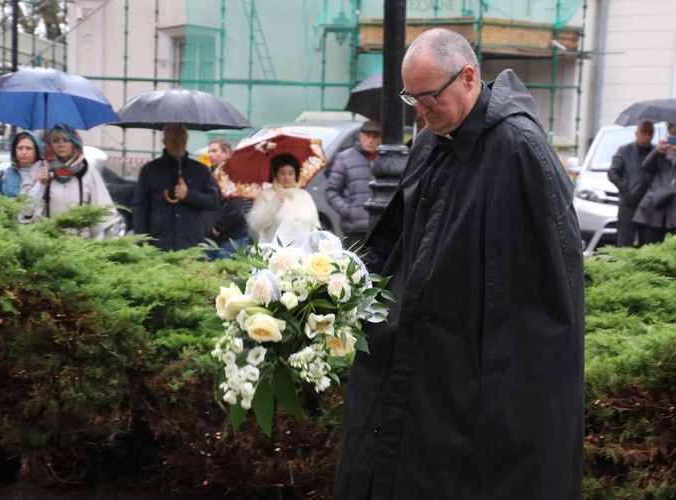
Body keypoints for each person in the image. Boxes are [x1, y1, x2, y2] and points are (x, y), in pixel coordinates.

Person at [333, 28, 585, 499]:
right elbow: (397, 242)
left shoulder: (520, 149)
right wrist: (341, 287)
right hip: (420, 365)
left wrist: (509, 393)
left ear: (468, 76)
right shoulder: (432, 140)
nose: (421, 112)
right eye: (412, 98)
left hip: (473, 382)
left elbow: (553, 293)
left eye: (429, 97)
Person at [18, 123, 118, 239]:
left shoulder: (87, 171)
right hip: (47, 243)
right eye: (55, 141)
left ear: (74, 143)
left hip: (80, 244)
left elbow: (101, 214)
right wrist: (40, 184)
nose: (61, 145)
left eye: (66, 140)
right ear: (49, 144)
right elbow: (25, 210)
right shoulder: (39, 168)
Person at [132, 124, 221, 251]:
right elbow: (140, 208)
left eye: (182, 140)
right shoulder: (150, 171)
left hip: (191, 246)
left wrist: (188, 195)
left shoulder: (200, 170)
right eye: (173, 140)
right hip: (159, 246)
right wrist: (141, 243)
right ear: (164, 142)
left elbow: (214, 201)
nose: (178, 144)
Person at [325, 120, 381, 249]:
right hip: (354, 229)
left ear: (380, 139)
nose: (370, 140)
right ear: (361, 136)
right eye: (367, 136)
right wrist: (349, 211)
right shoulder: (345, 158)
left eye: (375, 136)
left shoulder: (385, 159)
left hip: (380, 227)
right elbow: (332, 191)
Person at [248, 153, 320, 244]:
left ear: (296, 174)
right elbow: (256, 224)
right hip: (275, 255)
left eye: (291, 173)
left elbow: (315, 227)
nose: (287, 177)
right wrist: (273, 204)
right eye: (282, 173)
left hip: (305, 255)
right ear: (275, 175)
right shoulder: (265, 195)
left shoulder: (305, 195)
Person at [607, 120, 655, 247]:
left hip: (650, 205)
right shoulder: (624, 151)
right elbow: (612, 172)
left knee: (649, 245)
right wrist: (625, 189)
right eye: (643, 131)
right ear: (636, 133)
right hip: (629, 204)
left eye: (650, 131)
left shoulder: (657, 152)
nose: (647, 134)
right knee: (625, 243)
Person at [204, 137, 250, 259]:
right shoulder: (209, 174)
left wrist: (217, 228)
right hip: (210, 237)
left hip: (232, 237)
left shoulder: (234, 173)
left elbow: (233, 205)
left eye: (214, 151)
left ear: (226, 152)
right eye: (209, 151)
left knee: (231, 275)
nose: (210, 155)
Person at [632, 122, 676, 244]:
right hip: (655, 206)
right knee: (649, 249)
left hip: (673, 209)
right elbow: (646, 166)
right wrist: (658, 150)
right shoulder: (661, 151)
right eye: (673, 135)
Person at [0, 130, 43, 197]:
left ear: (37, 151)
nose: (24, 152)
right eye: (20, 148)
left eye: (28, 148)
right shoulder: (3, 174)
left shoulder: (43, 174)